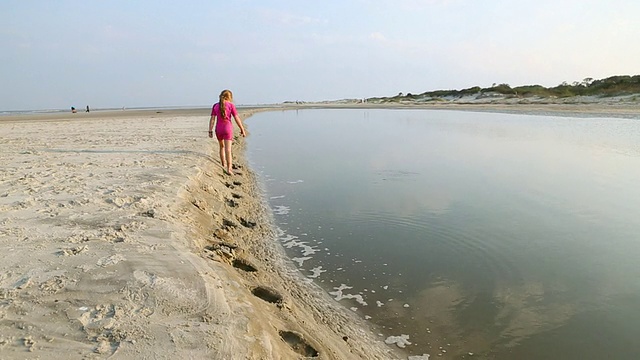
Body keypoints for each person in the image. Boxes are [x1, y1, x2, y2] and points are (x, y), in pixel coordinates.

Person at [209, 89, 246, 175]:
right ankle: (229, 169)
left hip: (218, 129)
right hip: (227, 128)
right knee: (228, 150)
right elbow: (236, 118)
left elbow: (212, 119)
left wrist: (210, 130)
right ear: (229, 97)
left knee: (221, 147)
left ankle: (223, 164)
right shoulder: (231, 105)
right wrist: (242, 129)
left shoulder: (215, 105)